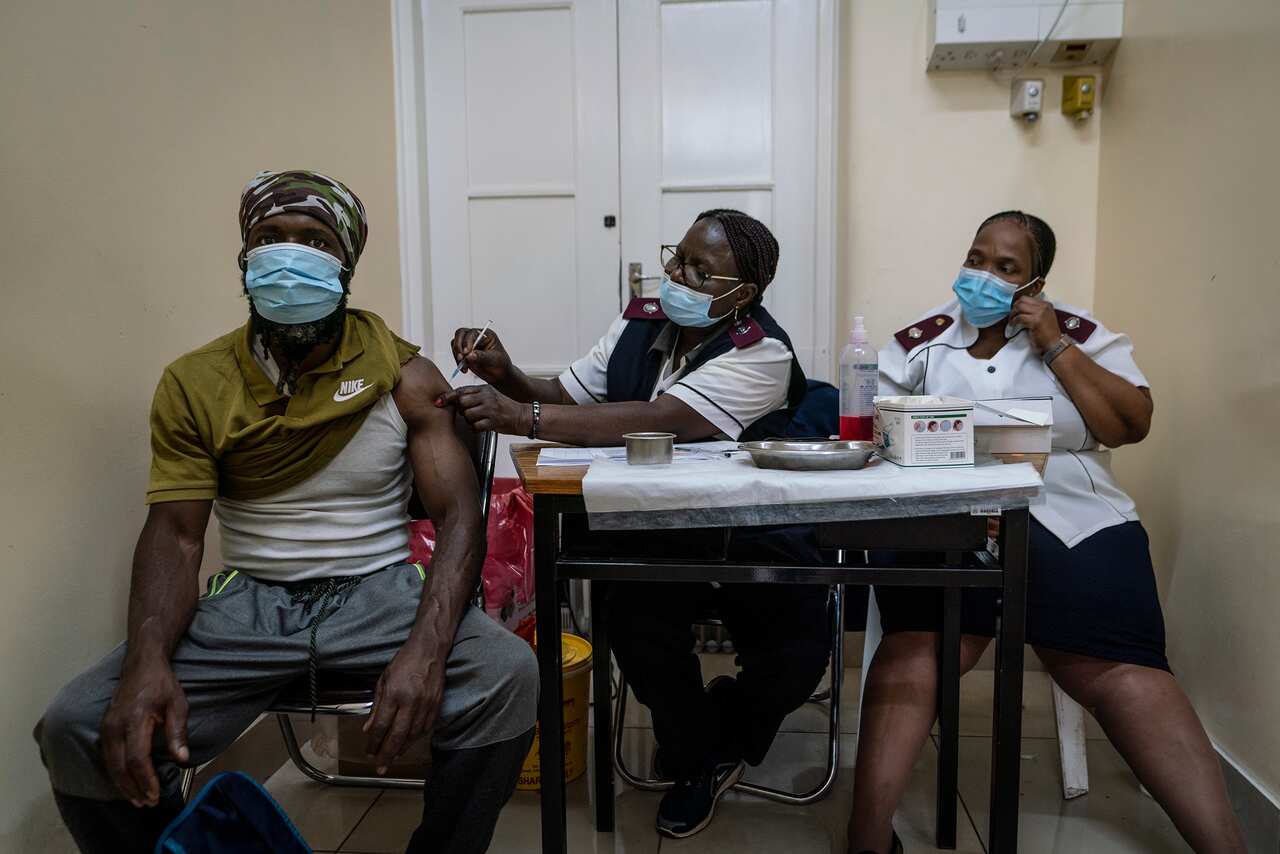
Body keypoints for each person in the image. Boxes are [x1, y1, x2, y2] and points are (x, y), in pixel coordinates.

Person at [34, 170, 538, 854]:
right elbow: (177, 537)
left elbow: (458, 520)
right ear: (244, 261)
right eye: (268, 238)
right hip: (248, 604)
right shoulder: (197, 383)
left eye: (313, 239)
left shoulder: (405, 375)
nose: (288, 254)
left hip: (380, 593)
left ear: (345, 262)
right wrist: (148, 659)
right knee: (78, 724)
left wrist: (425, 648)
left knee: (505, 674)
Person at [845, 211, 1246, 854]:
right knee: (920, 643)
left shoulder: (1083, 333)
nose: (983, 275)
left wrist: (1055, 345)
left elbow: (1128, 424)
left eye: (1005, 267)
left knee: (1121, 667)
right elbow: (867, 427)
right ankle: (865, 841)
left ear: (1036, 279)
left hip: (1071, 512)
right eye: (976, 258)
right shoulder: (922, 340)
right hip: (947, 509)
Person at [442, 210, 832, 839]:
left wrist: (521, 415)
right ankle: (698, 760)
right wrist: (506, 374)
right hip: (651, 529)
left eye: (701, 273)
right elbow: (572, 394)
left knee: (801, 646)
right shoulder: (641, 318)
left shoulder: (762, 351)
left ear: (743, 295)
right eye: (678, 258)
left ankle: (716, 736)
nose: (676, 275)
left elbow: (660, 419)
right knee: (634, 625)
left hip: (746, 532)